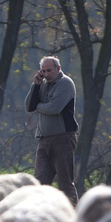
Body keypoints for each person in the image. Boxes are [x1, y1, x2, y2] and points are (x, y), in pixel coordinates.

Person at [24, 55, 79, 206]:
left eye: (49, 70)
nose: (47, 74)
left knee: (65, 185)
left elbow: (54, 108)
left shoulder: (65, 83)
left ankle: (73, 220)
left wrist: (39, 106)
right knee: (38, 185)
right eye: (43, 71)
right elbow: (29, 107)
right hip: (44, 140)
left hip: (63, 139)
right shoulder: (42, 85)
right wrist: (35, 85)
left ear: (58, 69)